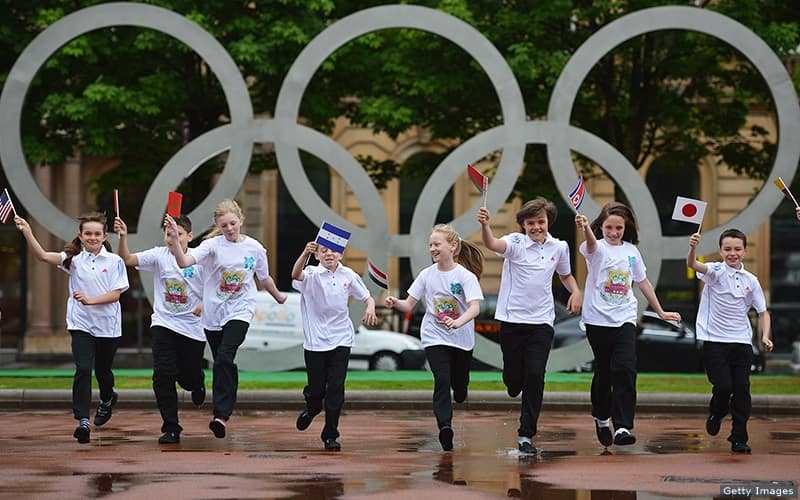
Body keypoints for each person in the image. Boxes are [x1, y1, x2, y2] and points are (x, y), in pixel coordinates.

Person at [164, 199, 286, 438]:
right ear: (217, 226)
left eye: (232, 223)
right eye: (224, 225)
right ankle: (224, 405)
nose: (229, 229)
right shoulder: (211, 246)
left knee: (224, 357)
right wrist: (176, 241)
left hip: (240, 311)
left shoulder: (255, 248)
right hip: (213, 313)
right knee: (223, 362)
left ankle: (221, 415)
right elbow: (184, 261)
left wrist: (278, 296)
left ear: (240, 220)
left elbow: (264, 278)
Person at [477, 199, 582, 454]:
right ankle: (512, 381)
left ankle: (526, 434)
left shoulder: (559, 247)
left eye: (541, 222)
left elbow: (565, 275)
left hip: (542, 323)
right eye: (531, 223)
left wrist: (576, 291)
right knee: (514, 380)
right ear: (523, 225)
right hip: (511, 321)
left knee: (535, 375)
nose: (536, 227)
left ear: (548, 222)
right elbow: (492, 244)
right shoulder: (515, 243)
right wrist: (485, 225)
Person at [15, 213, 129, 444]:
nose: (92, 238)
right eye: (88, 233)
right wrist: (27, 230)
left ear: (104, 236)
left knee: (103, 372)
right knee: (84, 369)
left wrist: (90, 300)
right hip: (81, 325)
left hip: (108, 327)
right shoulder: (73, 259)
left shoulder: (115, 261)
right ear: (80, 235)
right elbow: (43, 256)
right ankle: (83, 420)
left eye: (97, 234)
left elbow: (116, 294)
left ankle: (107, 398)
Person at [575, 202, 680, 447]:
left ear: (625, 228)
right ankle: (602, 418)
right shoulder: (594, 248)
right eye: (609, 227)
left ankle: (622, 426)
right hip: (597, 319)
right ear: (601, 227)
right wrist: (584, 228)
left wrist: (661, 311)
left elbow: (643, 283)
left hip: (624, 318)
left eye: (618, 228)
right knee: (604, 371)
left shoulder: (632, 251)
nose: (613, 232)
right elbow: (590, 244)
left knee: (624, 369)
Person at [385, 224, 484, 451]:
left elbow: (475, 308)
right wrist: (395, 302)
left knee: (459, 387)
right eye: (430, 245)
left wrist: (458, 322)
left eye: (437, 244)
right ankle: (445, 427)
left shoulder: (465, 276)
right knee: (441, 380)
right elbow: (409, 304)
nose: (432, 249)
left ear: (453, 246)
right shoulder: (426, 275)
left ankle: (462, 389)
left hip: (461, 338)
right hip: (434, 336)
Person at [115, 214, 206, 444]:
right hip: (163, 324)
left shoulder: (200, 258)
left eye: (178, 234)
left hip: (192, 329)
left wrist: (204, 304)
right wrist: (123, 236)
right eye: (168, 234)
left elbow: (215, 289)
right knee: (163, 375)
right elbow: (127, 258)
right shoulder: (158, 255)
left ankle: (197, 382)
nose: (172, 238)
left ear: (189, 236)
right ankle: (171, 427)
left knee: (187, 379)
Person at [687, 229, 773, 453]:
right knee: (724, 386)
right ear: (721, 251)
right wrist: (693, 247)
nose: (732, 253)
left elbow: (763, 312)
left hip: (741, 342)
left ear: (745, 251)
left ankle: (739, 437)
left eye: (737, 249)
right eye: (727, 249)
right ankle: (716, 411)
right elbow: (693, 265)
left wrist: (765, 336)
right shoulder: (715, 272)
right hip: (714, 340)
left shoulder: (751, 281)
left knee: (742, 389)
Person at [291, 241, 378, 451]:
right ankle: (312, 408)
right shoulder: (311, 273)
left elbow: (367, 296)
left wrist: (371, 307)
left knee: (336, 388)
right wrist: (304, 254)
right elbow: (295, 275)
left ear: (341, 254)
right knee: (316, 389)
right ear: (318, 255)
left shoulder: (348, 275)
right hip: (316, 342)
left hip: (341, 339)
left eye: (333, 251)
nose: (329, 254)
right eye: (324, 251)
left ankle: (330, 434)